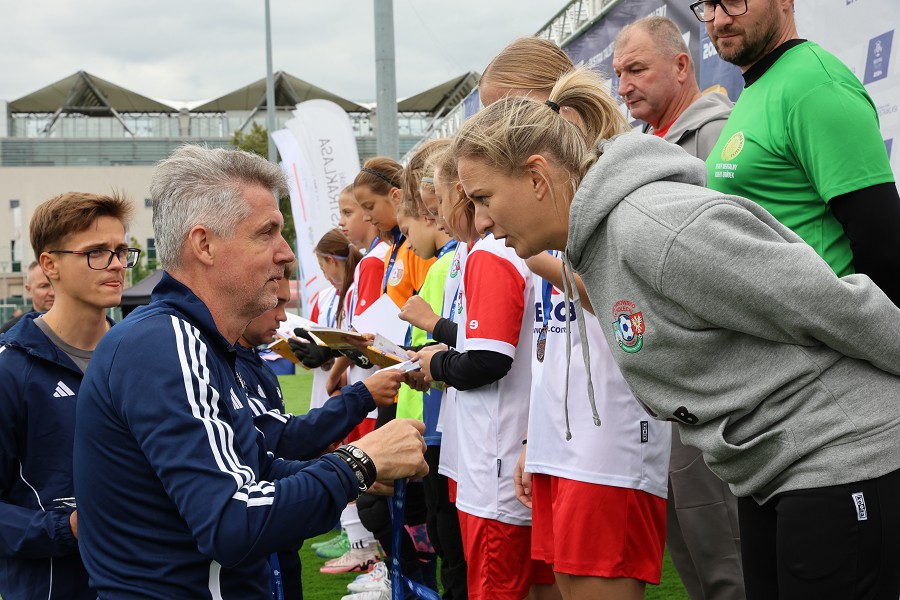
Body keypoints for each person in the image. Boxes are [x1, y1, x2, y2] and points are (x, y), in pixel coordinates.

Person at [452, 65, 900, 600]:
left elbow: (836, 306)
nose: (480, 223)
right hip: (771, 473)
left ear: (537, 176)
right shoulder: (600, 242)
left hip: (840, 456)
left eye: (483, 198)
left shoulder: (657, 228)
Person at [73, 144, 428, 599]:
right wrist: (354, 463)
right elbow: (231, 520)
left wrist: (346, 471)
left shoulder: (203, 343)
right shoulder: (165, 343)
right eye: (267, 233)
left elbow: (255, 467)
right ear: (204, 245)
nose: (285, 254)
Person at [479, 36, 672, 600]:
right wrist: (531, 438)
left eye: (506, 113)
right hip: (558, 436)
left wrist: (529, 249)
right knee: (558, 586)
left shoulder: (617, 178)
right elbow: (552, 337)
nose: (495, 132)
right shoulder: (542, 202)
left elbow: (626, 306)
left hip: (612, 433)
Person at [613, 17, 745, 599]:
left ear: (682, 65)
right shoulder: (648, 150)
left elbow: (740, 270)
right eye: (618, 74)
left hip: (720, 389)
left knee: (727, 564)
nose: (624, 87)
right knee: (696, 560)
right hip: (675, 395)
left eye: (636, 70)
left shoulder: (717, 139)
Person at [697, 0, 900, 306]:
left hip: (830, 345)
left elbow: (884, 246)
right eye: (710, 5)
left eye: (735, 1)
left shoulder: (814, 83)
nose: (720, 19)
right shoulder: (759, 88)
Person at [0, 192, 136, 600]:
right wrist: (70, 527)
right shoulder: (10, 369)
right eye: (95, 252)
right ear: (49, 265)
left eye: (120, 250)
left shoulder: (142, 358)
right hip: (54, 585)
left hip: (147, 579)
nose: (115, 264)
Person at [0, 260, 56, 334]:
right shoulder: (11, 330)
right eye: (44, 286)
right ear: (29, 290)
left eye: (56, 285)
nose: (52, 293)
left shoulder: (74, 326)